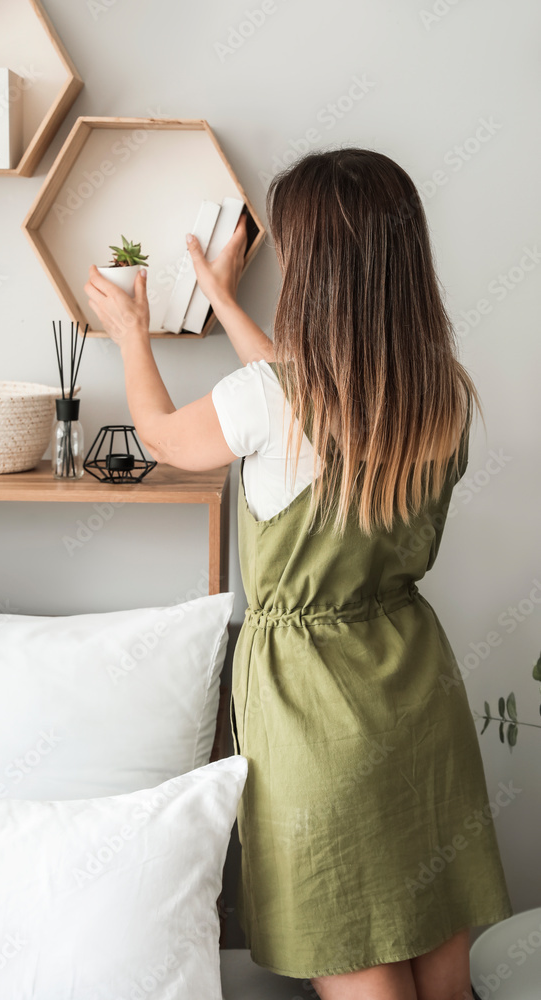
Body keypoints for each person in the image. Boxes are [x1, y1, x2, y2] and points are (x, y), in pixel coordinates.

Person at [84, 148, 513, 1000]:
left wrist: (133, 335)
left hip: (314, 710)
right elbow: (309, 399)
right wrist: (221, 300)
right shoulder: (440, 393)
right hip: (417, 691)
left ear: (314, 271)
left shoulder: (271, 402)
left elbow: (173, 437)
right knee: (440, 958)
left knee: (354, 939)